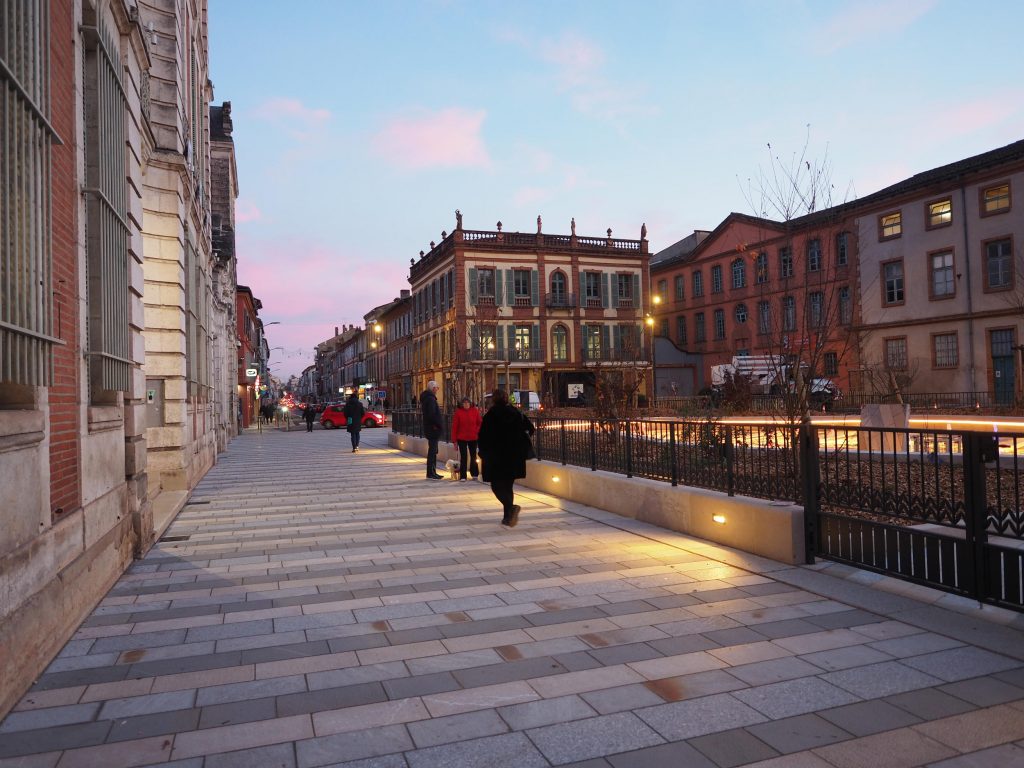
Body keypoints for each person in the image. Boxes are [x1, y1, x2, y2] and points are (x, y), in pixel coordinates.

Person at [478, 388, 535, 527]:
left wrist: (482, 452)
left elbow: (483, 436)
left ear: (494, 399)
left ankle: (511, 508)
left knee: (496, 486)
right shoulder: (516, 413)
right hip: (514, 456)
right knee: (508, 486)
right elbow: (531, 428)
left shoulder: (490, 416)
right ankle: (507, 517)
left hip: (496, 457)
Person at [451, 397, 481, 482]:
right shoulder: (458, 412)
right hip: (462, 437)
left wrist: (476, 430)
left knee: (473, 456)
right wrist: (454, 441)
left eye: (468, 403)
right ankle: (463, 476)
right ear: (462, 404)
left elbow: (479, 422)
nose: (466, 404)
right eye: (464, 403)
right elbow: (454, 427)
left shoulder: (475, 411)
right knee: (463, 456)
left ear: (470, 403)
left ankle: (474, 473)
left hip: (473, 437)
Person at [420, 380, 444, 479]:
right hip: (433, 429)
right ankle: (431, 473)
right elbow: (432, 414)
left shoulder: (427, 398)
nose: (437, 390)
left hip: (430, 428)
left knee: (433, 451)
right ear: (433, 388)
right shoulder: (430, 399)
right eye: (437, 388)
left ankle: (432, 472)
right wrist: (437, 425)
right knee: (432, 451)